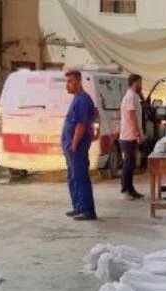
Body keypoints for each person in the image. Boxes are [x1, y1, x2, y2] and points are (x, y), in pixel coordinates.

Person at [62, 69, 99, 221]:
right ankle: (78, 207)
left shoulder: (82, 100)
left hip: (77, 147)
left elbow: (81, 124)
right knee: (73, 177)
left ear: (78, 81)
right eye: (67, 82)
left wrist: (74, 144)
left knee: (80, 177)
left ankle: (87, 210)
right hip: (71, 147)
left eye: (70, 81)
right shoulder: (77, 98)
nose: (67, 85)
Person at [118, 73, 145, 201]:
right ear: (135, 83)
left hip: (131, 135)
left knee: (132, 164)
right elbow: (132, 117)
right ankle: (124, 190)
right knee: (128, 164)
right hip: (128, 136)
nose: (141, 85)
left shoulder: (134, 96)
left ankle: (131, 189)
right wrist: (138, 134)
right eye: (140, 83)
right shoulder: (130, 97)